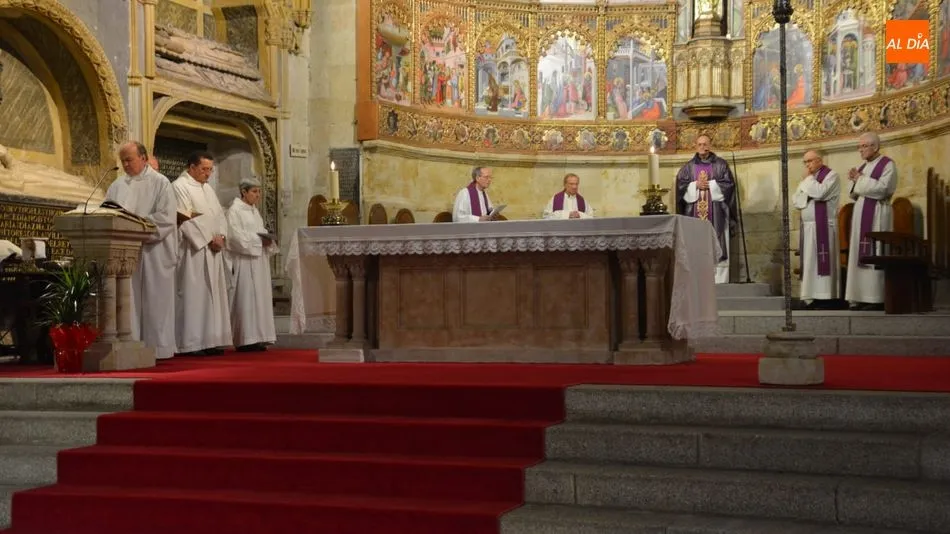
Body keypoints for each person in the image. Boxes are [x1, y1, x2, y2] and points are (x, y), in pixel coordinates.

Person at [104, 141, 178, 359]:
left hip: (153, 253)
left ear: (144, 158)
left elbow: (165, 218)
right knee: (130, 302)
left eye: (129, 159)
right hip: (125, 252)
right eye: (123, 160)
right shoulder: (117, 185)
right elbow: (107, 211)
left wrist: (136, 227)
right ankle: (131, 345)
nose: (125, 164)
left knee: (155, 302)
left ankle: (159, 349)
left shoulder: (161, 183)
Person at [172, 151, 232, 355]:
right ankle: (191, 343)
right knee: (193, 296)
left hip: (213, 250)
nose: (208, 174)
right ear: (192, 167)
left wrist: (221, 237)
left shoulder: (208, 189)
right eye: (204, 169)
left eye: (210, 170)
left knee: (212, 297)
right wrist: (208, 239)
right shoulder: (179, 186)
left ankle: (210, 341)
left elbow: (220, 216)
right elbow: (184, 218)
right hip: (193, 252)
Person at [845, 131, 897, 311]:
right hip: (861, 212)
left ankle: (876, 298)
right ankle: (858, 296)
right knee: (860, 253)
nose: (860, 150)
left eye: (863, 146)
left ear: (874, 146)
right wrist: (853, 180)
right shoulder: (863, 167)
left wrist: (859, 180)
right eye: (859, 146)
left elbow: (883, 189)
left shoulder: (887, 164)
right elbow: (853, 194)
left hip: (877, 213)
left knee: (875, 251)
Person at [675, 134, 737, 284]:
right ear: (695, 146)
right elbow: (680, 188)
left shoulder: (721, 165)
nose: (702, 147)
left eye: (705, 144)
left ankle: (719, 280)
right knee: (696, 244)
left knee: (717, 241)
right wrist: (694, 185)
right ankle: (697, 278)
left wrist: (711, 185)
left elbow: (729, 185)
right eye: (700, 144)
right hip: (694, 214)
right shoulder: (688, 167)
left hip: (717, 213)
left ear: (710, 145)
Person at [226, 176, 278, 352]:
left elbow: (259, 231)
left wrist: (268, 241)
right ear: (244, 192)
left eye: (259, 191)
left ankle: (259, 337)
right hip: (245, 262)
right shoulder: (234, 211)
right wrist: (258, 241)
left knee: (260, 299)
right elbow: (234, 237)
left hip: (258, 262)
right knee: (245, 299)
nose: (258, 195)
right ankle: (245, 338)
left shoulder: (254, 211)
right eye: (254, 191)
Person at [793, 149, 840, 309]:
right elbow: (797, 200)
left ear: (820, 160)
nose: (807, 165)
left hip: (824, 227)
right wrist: (809, 189)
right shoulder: (809, 179)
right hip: (808, 227)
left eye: (810, 161)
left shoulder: (831, 176)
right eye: (805, 162)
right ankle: (810, 297)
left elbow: (820, 193)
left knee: (822, 262)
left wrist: (808, 184)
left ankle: (826, 298)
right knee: (810, 264)